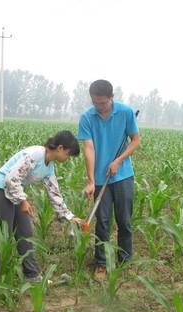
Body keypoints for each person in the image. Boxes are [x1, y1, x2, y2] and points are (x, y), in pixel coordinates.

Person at [0, 130, 83, 283]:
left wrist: (70, 216)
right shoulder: (37, 154)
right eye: (68, 154)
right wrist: (23, 200)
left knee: (25, 232)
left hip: (15, 194)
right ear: (60, 148)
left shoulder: (49, 166)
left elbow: (54, 194)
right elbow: (11, 179)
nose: (68, 159)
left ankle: (31, 276)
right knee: (3, 236)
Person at [77, 80, 141, 281]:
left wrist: (119, 160)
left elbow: (135, 140)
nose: (99, 106)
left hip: (123, 176)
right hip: (100, 178)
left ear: (111, 98)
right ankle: (101, 264)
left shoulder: (126, 112)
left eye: (103, 103)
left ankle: (125, 260)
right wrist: (90, 180)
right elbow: (89, 148)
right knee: (102, 222)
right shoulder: (87, 117)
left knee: (124, 220)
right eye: (96, 103)